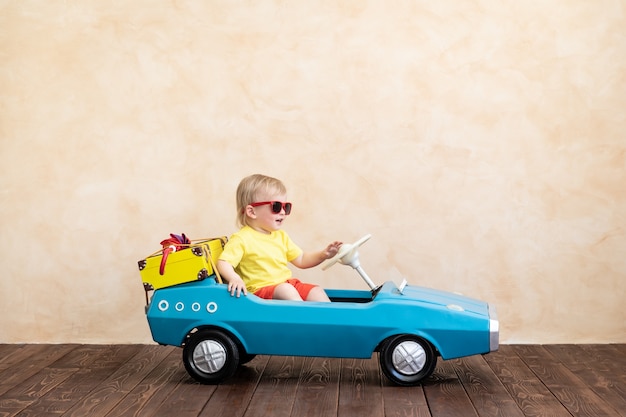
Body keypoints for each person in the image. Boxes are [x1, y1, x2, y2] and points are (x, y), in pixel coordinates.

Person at [217, 174, 342, 302]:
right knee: (286, 290)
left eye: (286, 207)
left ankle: (331, 320)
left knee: (316, 291)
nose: (282, 212)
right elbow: (224, 262)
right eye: (276, 207)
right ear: (252, 212)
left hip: (286, 284)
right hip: (259, 292)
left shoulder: (281, 236)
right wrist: (234, 278)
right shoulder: (242, 238)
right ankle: (304, 320)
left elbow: (302, 259)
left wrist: (323, 255)